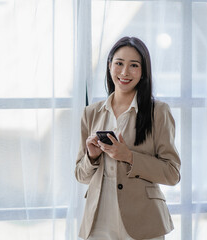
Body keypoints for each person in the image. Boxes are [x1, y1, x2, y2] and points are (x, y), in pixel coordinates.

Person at [75, 37, 181, 240]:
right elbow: (80, 175)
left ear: (143, 72)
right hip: (99, 219)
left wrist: (129, 156)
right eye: (119, 63)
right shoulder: (91, 113)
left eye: (134, 65)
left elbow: (172, 173)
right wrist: (91, 156)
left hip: (144, 220)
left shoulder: (158, 112)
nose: (124, 72)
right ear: (109, 66)